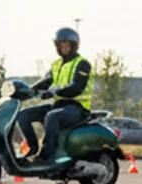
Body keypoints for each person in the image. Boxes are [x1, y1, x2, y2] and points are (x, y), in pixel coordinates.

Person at [17, 27, 93, 167]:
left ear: (74, 45)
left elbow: (76, 87)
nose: (63, 47)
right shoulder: (56, 65)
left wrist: (54, 92)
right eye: (60, 44)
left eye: (67, 44)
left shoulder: (82, 64)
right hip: (59, 106)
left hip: (78, 108)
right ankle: (32, 149)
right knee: (23, 115)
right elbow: (46, 81)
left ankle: (47, 157)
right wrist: (27, 90)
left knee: (52, 116)